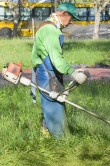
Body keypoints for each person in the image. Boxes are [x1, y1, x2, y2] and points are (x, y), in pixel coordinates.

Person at [31, 2, 88, 139]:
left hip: (50, 72)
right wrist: (73, 73)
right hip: (46, 74)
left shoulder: (50, 27)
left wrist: (73, 68)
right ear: (63, 14)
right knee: (54, 106)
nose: (71, 22)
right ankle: (60, 142)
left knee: (54, 103)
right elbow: (56, 59)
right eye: (71, 18)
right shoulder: (50, 30)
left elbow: (52, 56)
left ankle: (46, 136)